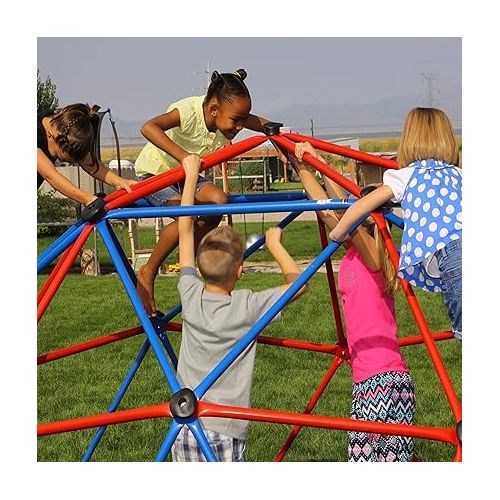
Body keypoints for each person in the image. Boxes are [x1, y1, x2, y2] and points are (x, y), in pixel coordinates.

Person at [171, 154, 307, 462]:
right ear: (240, 271)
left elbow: (184, 232)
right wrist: (276, 246)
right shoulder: (248, 305)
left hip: (184, 426)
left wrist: (190, 177)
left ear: (199, 269)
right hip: (226, 426)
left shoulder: (189, 294)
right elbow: (300, 285)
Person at [290, 141, 415, 462]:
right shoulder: (356, 251)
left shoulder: (374, 256)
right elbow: (325, 205)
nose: (348, 210)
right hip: (371, 381)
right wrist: (305, 164)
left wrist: (313, 162)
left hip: (383, 383)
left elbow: (336, 207)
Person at [134, 69, 284, 316]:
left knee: (219, 201)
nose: (240, 127)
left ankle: (190, 258)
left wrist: (272, 131)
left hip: (185, 176)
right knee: (188, 217)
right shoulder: (190, 112)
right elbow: (149, 127)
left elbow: (254, 121)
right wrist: (184, 158)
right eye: (236, 120)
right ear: (214, 109)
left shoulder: (224, 116)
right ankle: (148, 270)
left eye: (242, 121)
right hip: (155, 175)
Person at [329, 107, 462, 341]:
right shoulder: (460, 175)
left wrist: (338, 233)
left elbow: (360, 207)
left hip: (456, 257)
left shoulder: (407, 176)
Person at [37, 103, 137, 205]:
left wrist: (120, 182)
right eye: (63, 157)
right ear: (52, 135)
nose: (63, 161)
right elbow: (49, 174)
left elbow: (90, 165)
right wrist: (88, 199)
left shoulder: (62, 127)